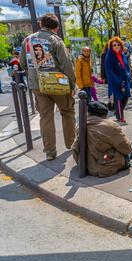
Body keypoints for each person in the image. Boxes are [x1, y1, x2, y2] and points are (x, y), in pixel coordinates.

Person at [20, 13, 76, 161]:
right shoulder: (55, 40)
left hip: (38, 84)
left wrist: (33, 75)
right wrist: (72, 85)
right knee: (67, 112)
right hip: (58, 84)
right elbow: (66, 65)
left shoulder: (27, 40)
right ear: (56, 28)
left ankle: (50, 152)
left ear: (40, 24)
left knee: (45, 117)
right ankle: (71, 144)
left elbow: (23, 64)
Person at [71, 101, 132, 178]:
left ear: (88, 112)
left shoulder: (80, 124)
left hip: (83, 164)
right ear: (104, 115)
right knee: (127, 149)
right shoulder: (110, 126)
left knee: (117, 143)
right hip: (103, 166)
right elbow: (127, 149)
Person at [105, 36, 131, 124]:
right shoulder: (109, 56)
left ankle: (117, 111)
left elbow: (127, 66)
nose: (116, 46)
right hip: (115, 82)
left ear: (121, 45)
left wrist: (128, 74)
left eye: (118, 44)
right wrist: (117, 81)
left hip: (125, 80)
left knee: (126, 96)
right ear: (111, 46)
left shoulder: (123, 54)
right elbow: (109, 71)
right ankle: (120, 117)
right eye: (114, 45)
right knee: (118, 98)